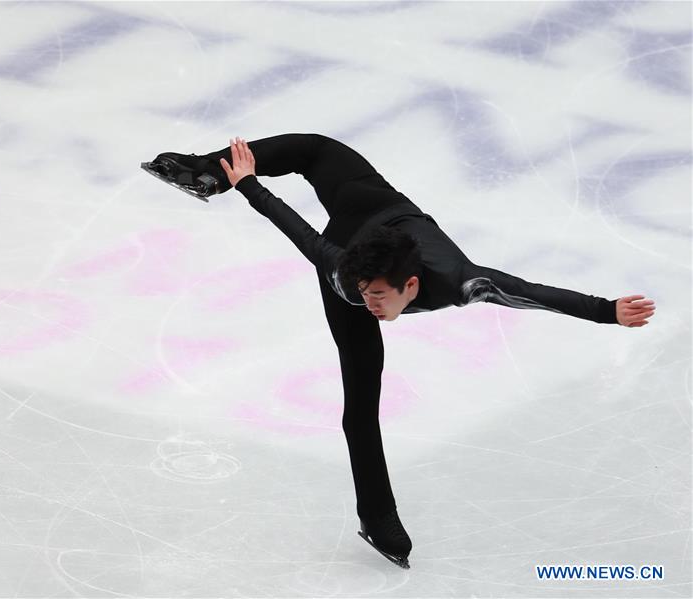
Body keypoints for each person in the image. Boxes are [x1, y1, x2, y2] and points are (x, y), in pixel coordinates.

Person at [143, 134, 656, 568]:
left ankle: (374, 514)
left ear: (412, 286)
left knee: (364, 402)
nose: (371, 304)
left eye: (380, 297)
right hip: (354, 213)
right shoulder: (347, 277)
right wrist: (247, 181)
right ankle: (204, 171)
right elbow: (301, 234)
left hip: (384, 205)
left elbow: (530, 292)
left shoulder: (461, 282)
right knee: (313, 149)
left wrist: (607, 310)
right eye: (366, 293)